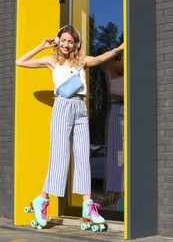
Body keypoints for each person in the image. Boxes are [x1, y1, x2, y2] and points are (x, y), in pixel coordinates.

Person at [15, 25, 124, 227]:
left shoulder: (81, 61)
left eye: (70, 42)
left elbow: (100, 58)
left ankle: (87, 205)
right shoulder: (51, 61)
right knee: (60, 156)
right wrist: (41, 46)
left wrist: (118, 50)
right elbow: (19, 61)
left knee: (83, 156)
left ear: (76, 44)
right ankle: (42, 199)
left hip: (80, 108)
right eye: (63, 40)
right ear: (58, 41)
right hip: (62, 107)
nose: (66, 44)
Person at [102, 55, 124, 210]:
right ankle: (116, 196)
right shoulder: (116, 65)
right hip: (119, 110)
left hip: (126, 109)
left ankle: (119, 194)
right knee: (118, 155)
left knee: (124, 156)